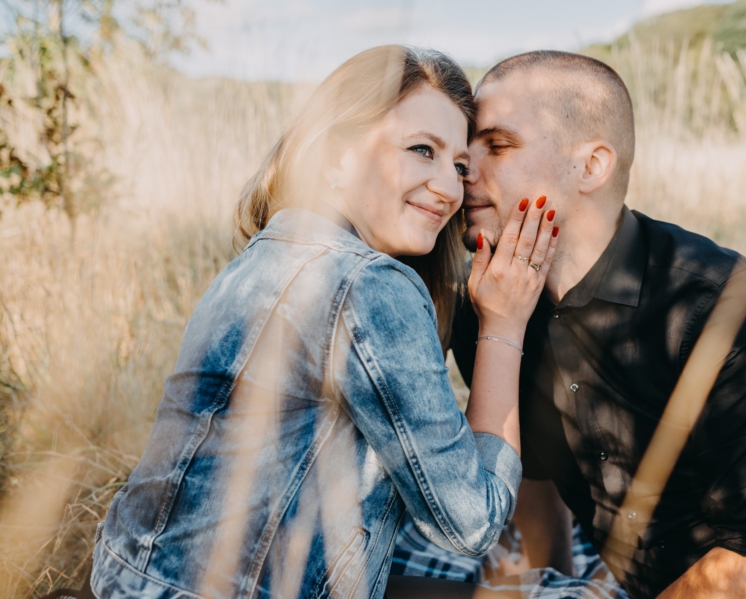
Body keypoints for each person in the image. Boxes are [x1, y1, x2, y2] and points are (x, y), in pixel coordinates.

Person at [87, 45, 560, 599]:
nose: (450, 189)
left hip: (125, 579)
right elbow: (473, 522)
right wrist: (503, 324)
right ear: (337, 157)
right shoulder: (369, 286)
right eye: (421, 150)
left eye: (458, 166)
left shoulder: (265, 254)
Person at [448, 50, 746, 599]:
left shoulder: (710, 298)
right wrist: (553, 589)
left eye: (497, 145)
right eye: (466, 147)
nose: (464, 166)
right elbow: (532, 480)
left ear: (591, 166)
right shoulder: (491, 308)